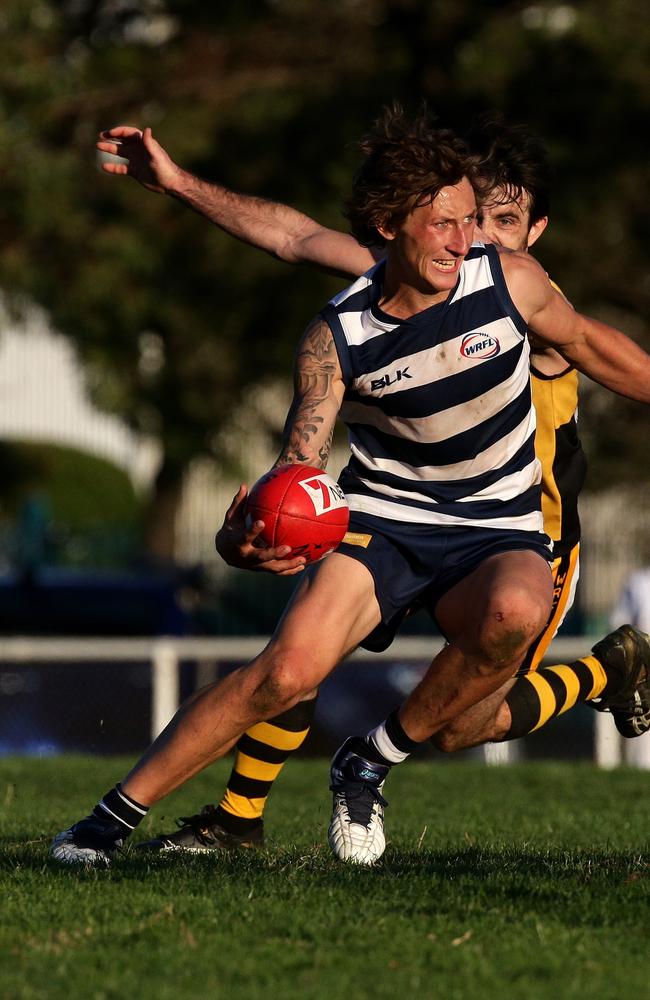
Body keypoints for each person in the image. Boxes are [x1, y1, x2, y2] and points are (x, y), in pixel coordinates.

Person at [51, 106, 650, 866]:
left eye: (480, 221)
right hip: (386, 519)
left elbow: (598, 346)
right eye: (450, 222)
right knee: (285, 672)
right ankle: (107, 822)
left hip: (505, 524)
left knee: (500, 643)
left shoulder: (513, 284)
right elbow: (301, 447)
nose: (469, 239)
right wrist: (259, 530)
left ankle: (367, 761)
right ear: (388, 225)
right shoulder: (339, 336)